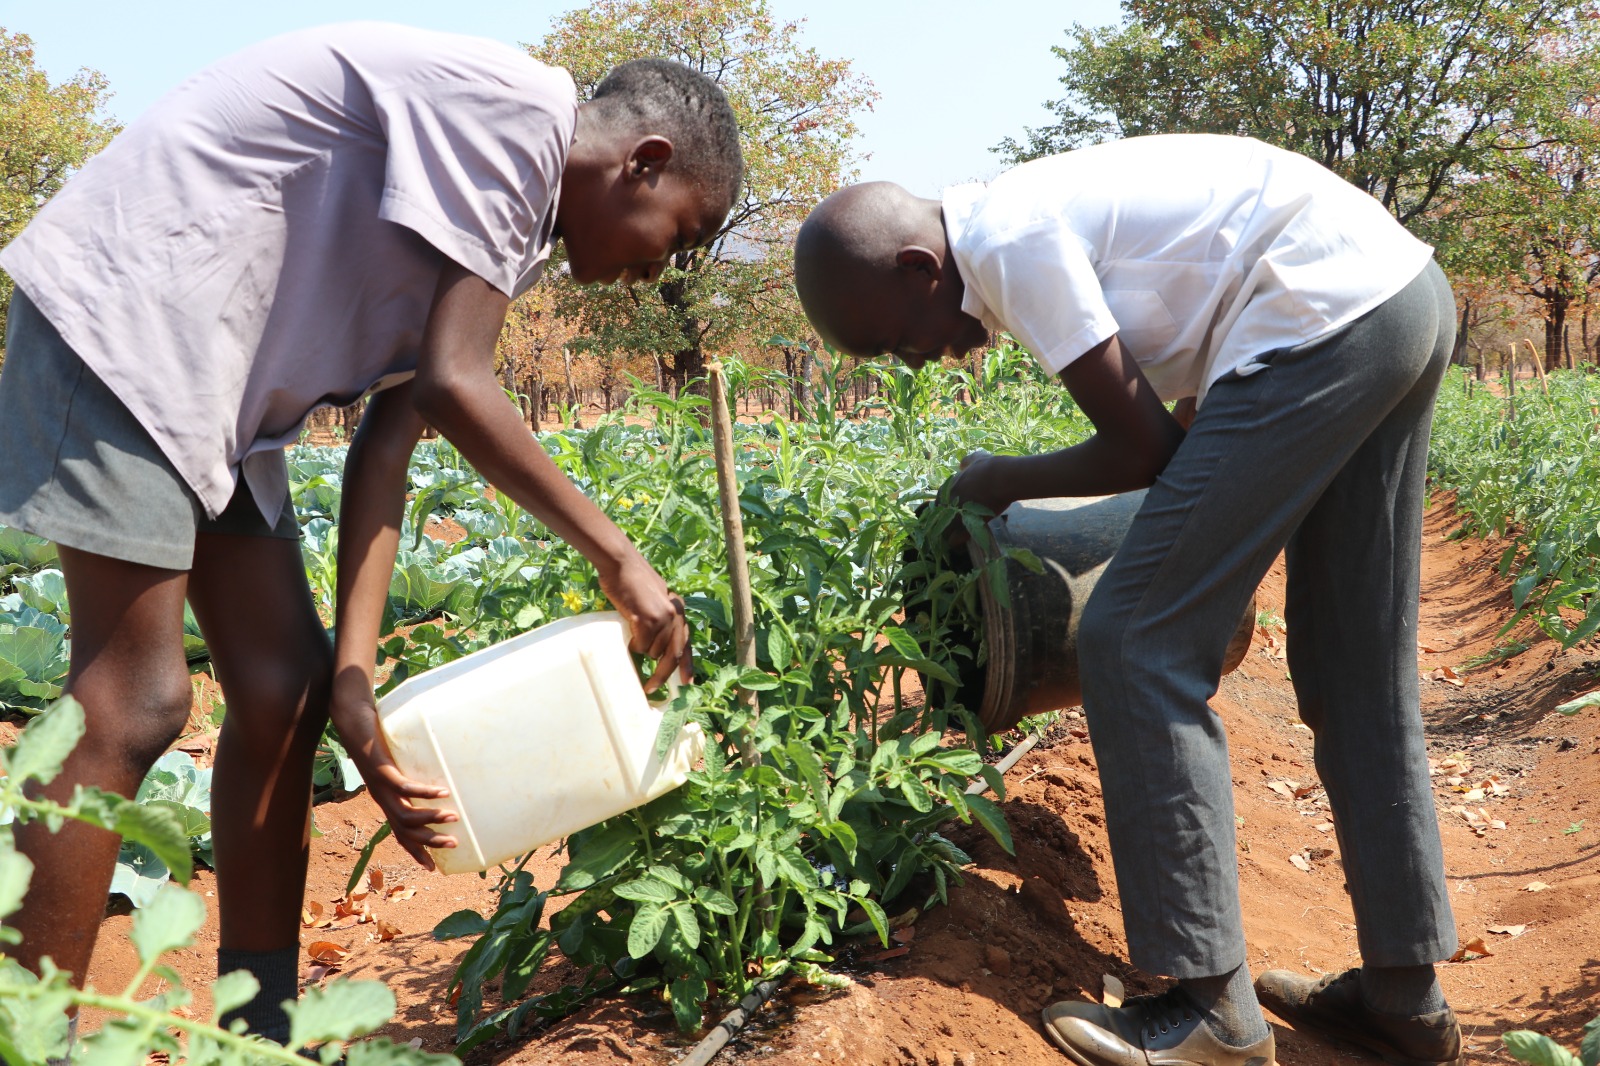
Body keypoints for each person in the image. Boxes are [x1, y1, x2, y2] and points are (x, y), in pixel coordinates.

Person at [0, 22, 741, 1047]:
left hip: (220, 384)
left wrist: (352, 673)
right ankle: (28, 1033)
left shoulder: (506, 230)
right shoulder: (522, 115)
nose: (656, 274)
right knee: (136, 698)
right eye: (680, 235)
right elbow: (456, 381)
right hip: (130, 320)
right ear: (644, 164)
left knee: (286, 685)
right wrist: (618, 555)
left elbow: (391, 441)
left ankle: (258, 1031)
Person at [793, 134, 1461, 1066]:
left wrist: (991, 479)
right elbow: (1186, 432)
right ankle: (1405, 998)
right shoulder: (1025, 219)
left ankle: (1211, 1017)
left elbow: (1140, 447)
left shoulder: (1008, 241)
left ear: (919, 266)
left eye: (892, 338)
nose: (911, 361)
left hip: (1323, 317)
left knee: (1135, 641)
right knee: (1356, 664)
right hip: (1398, 296)